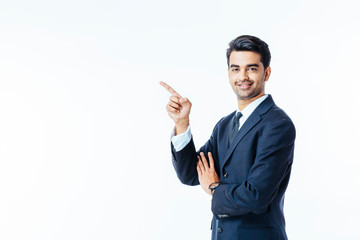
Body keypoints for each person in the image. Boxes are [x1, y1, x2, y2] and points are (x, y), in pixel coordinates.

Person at [160, 35, 296, 240]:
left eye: (251, 68)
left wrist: (215, 188)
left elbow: (256, 196)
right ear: (229, 73)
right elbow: (190, 174)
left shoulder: (277, 124)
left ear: (266, 73)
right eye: (236, 68)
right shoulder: (225, 125)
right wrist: (182, 123)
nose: (243, 76)